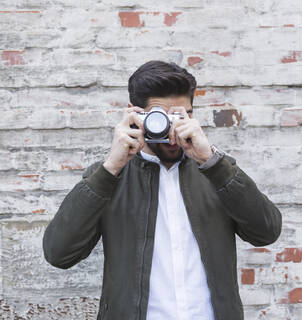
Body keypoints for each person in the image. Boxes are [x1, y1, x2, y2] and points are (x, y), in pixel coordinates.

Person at [42, 60, 282, 320]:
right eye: (161, 118)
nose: (171, 130)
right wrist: (111, 167)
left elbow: (266, 232)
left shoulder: (216, 172)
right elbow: (59, 253)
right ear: (136, 116)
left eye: (181, 116)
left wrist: (213, 163)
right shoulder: (110, 177)